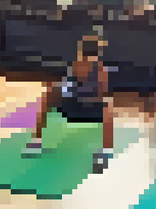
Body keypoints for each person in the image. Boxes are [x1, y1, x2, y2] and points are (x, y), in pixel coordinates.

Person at [24, 34, 117, 173]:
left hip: (85, 108)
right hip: (75, 107)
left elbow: (98, 93)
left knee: (107, 105)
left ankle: (105, 151)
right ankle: (37, 142)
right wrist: (58, 90)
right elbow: (68, 87)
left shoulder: (98, 69)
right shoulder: (80, 67)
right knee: (48, 95)